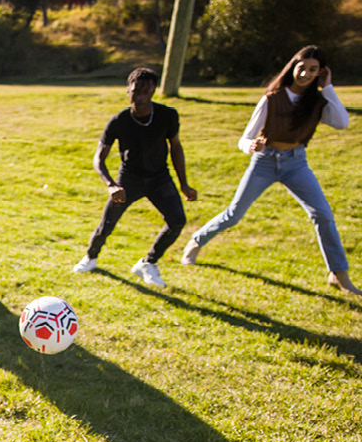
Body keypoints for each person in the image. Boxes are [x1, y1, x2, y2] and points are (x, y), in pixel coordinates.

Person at [181, 45, 361, 295]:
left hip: (296, 163)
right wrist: (250, 146)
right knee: (234, 214)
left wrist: (327, 87)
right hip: (264, 161)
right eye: (302, 68)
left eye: (313, 70)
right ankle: (195, 243)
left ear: (321, 72)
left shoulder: (318, 101)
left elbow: (342, 123)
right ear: (293, 67)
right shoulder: (272, 97)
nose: (306, 74)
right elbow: (244, 139)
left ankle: (339, 274)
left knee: (323, 215)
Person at [72, 67, 197, 287]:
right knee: (107, 224)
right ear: (127, 90)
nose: (140, 97)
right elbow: (98, 159)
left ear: (153, 92)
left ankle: (148, 263)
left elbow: (176, 148)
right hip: (128, 180)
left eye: (146, 92)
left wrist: (184, 184)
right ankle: (90, 258)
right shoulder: (119, 121)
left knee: (177, 221)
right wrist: (111, 185)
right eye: (135, 91)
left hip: (159, 178)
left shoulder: (167, 115)